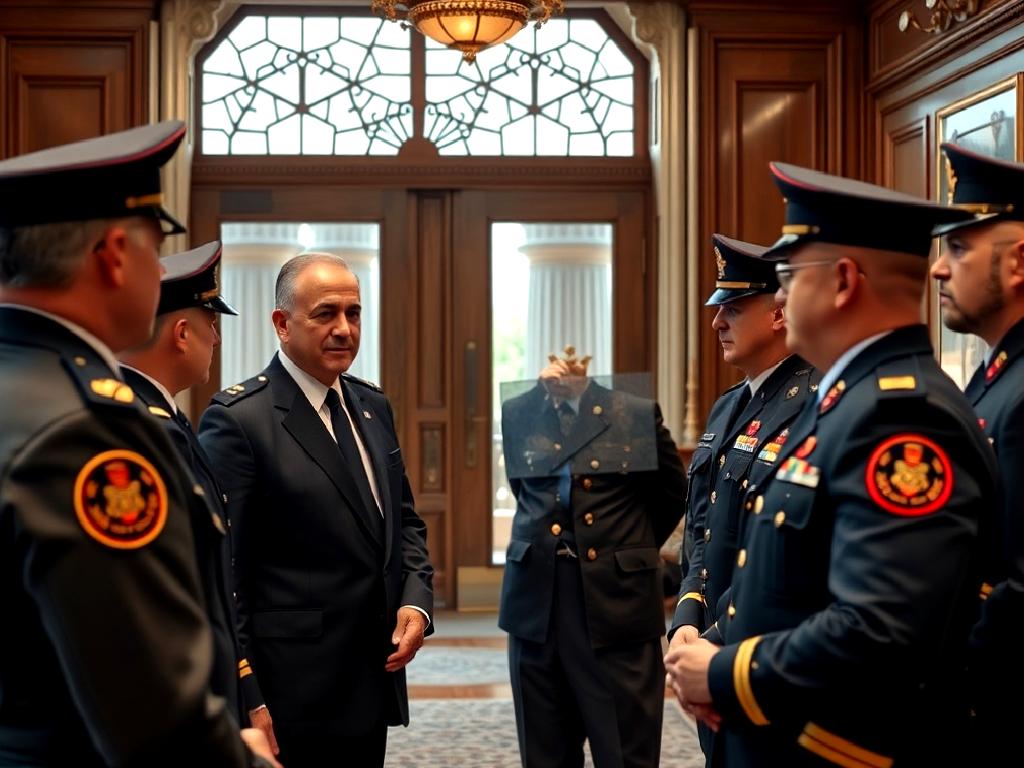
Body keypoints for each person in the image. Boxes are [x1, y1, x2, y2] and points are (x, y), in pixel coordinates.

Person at [665, 162, 996, 767]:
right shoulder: (848, 400)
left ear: (843, 281)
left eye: (788, 275)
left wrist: (726, 671)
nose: (781, 297)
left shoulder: (902, 417)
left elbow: (881, 632)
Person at [0, 123, 278, 766]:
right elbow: (153, 711)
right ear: (113, 255)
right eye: (154, 251)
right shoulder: (87, 433)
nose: (160, 273)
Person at [198, 251, 434, 768]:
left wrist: (416, 604)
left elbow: (404, 521)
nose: (344, 329)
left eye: (353, 314)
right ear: (282, 324)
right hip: (291, 693)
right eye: (325, 314)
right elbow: (223, 572)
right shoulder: (239, 421)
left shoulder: (373, 407)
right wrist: (247, 694)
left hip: (374, 678)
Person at [666, 234, 819, 764]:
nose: (717, 323)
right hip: (713, 646)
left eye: (731, 308)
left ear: (778, 314)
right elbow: (702, 530)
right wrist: (686, 619)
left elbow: (794, 552)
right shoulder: (729, 406)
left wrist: (712, 638)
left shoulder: (815, 404)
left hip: (767, 652)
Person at [498, 348, 687, 767]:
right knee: (544, 751)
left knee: (624, 750)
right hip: (536, 602)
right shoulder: (520, 412)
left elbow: (673, 493)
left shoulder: (632, 412)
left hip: (616, 603)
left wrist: (628, 549)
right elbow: (523, 490)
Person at [119, 240, 250, 726]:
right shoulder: (142, 430)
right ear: (180, 332)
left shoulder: (166, 419)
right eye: (210, 324)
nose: (216, 338)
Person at [931, 142, 1024, 758]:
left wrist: (947, 683)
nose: (938, 268)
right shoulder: (994, 375)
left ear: (1017, 263)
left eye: (959, 248)